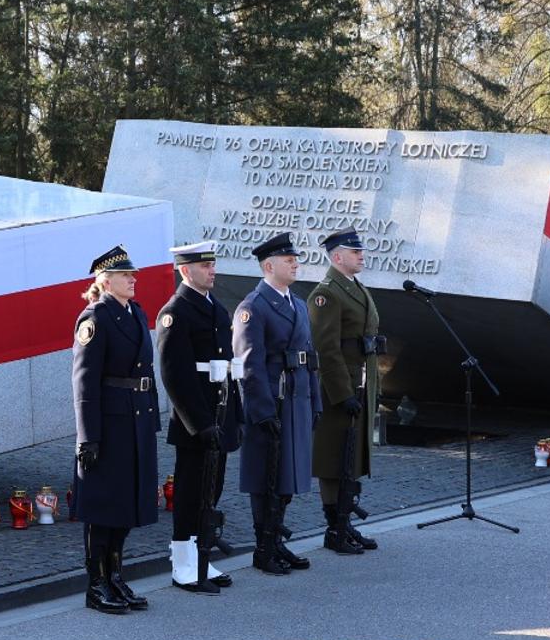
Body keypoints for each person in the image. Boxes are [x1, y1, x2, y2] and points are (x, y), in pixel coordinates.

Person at [71, 245, 160, 613]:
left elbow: (145, 371)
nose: (134, 279)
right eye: (126, 275)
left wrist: (151, 419)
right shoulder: (95, 318)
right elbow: (84, 383)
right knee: (103, 507)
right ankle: (96, 585)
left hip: (135, 420)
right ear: (106, 281)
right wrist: (88, 437)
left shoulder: (135, 313)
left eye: (133, 274)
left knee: (127, 504)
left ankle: (116, 576)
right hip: (108, 424)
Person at [233, 233, 321, 575]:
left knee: (289, 473)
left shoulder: (297, 304)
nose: (295, 263)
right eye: (288, 260)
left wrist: (315, 399)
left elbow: (309, 356)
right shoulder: (252, 307)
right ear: (269, 266)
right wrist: (263, 411)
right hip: (273, 399)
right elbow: (250, 365)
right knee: (267, 475)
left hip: (297, 396)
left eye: (295, 259)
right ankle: (263, 545)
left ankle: (277, 540)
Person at [155, 241, 238, 595]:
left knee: (212, 488)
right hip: (197, 418)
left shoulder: (216, 309)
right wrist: (199, 424)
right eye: (205, 266)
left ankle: (202, 553)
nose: (212, 271)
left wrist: (233, 417)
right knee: (190, 492)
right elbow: (176, 376)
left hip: (220, 412)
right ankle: (183, 563)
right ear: (186, 271)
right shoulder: (176, 311)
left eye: (213, 265)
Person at [308, 229, 382, 554]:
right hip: (341, 388)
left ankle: (346, 523)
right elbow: (325, 348)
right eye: (355, 252)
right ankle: (334, 528)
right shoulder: (326, 294)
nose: (361, 255)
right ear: (337, 257)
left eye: (360, 251)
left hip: (361, 383)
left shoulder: (355, 287)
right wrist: (342, 393)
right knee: (335, 457)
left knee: (352, 458)